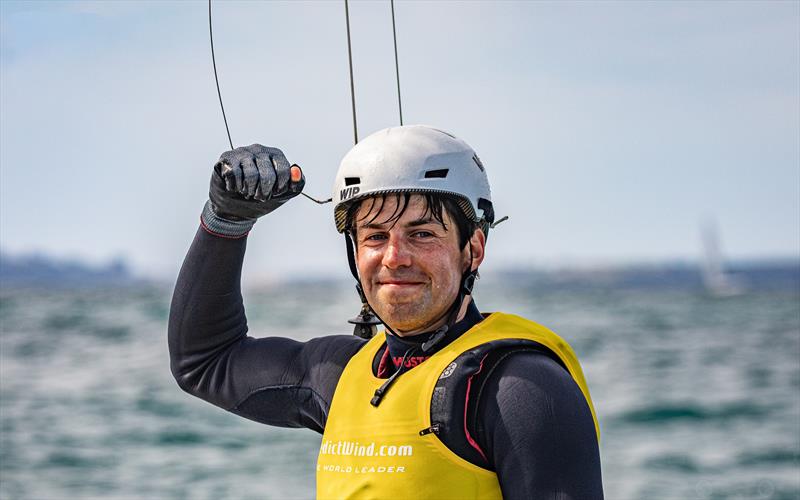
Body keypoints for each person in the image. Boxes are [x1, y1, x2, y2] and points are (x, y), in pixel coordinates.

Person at [169, 125, 603, 499]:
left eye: (422, 234)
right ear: (355, 252)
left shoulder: (521, 388)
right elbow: (205, 361)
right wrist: (228, 219)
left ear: (473, 248)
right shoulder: (340, 375)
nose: (395, 258)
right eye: (375, 236)